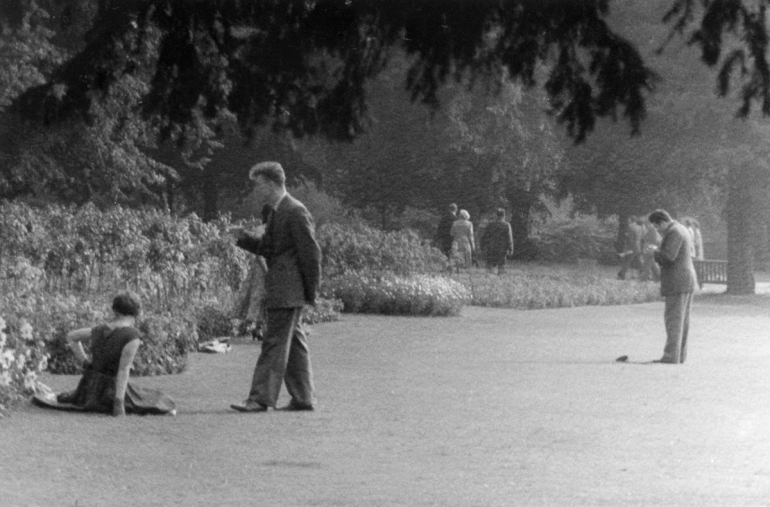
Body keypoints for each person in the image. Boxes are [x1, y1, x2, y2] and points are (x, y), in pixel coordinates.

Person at [230, 161, 321, 413]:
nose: (256, 190)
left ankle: (259, 399)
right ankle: (304, 398)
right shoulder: (276, 212)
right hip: (283, 289)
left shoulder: (295, 211)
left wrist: (310, 293)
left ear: (271, 184)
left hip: (288, 291)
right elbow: (270, 249)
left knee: (273, 344)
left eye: (258, 185)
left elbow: (311, 255)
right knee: (295, 347)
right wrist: (243, 239)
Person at [33, 292, 176, 416]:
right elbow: (123, 370)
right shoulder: (132, 336)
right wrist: (118, 404)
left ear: (115, 310)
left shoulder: (99, 330)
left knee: (153, 397)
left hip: (88, 388)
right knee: (161, 401)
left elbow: (71, 336)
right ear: (136, 312)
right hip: (110, 391)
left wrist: (85, 362)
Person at [649, 209, 697, 364]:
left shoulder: (674, 231)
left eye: (657, 227)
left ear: (662, 222)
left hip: (677, 281)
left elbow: (669, 257)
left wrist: (655, 251)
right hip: (686, 279)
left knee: (673, 319)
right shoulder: (682, 228)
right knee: (683, 320)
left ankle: (670, 356)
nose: (657, 230)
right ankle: (679, 355)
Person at [232, 213, 269, 340]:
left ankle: (259, 328)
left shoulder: (259, 229)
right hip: (263, 268)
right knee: (263, 297)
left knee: (257, 297)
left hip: (258, 268)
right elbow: (259, 253)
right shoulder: (266, 230)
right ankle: (260, 328)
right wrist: (266, 270)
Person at [480, 208, 514, 274]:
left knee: (490, 265)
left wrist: (483, 246)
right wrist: (511, 249)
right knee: (501, 266)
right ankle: (500, 279)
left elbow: (485, 237)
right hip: (502, 248)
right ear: (504, 216)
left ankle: (489, 279)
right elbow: (509, 238)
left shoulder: (490, 225)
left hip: (491, 248)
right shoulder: (506, 225)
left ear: (497, 215)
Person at [618, 215, 644, 280]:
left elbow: (631, 239)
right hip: (638, 247)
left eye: (629, 219)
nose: (628, 220)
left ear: (631, 220)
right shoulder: (639, 227)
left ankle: (622, 275)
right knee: (637, 262)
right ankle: (639, 275)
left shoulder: (630, 228)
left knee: (626, 261)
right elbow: (640, 238)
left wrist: (628, 248)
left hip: (631, 247)